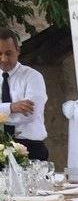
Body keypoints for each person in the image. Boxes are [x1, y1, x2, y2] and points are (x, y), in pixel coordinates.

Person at [0, 28, 49, 160]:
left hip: (30, 148)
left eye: (8, 53)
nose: (4, 59)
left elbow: (29, 115)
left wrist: (2, 113)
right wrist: (11, 107)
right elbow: (17, 112)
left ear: (18, 51)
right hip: (1, 148)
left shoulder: (33, 77)